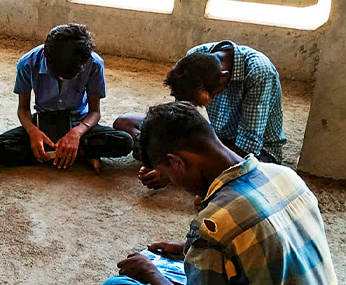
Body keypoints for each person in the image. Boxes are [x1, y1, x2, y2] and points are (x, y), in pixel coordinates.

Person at [90, 102, 339, 285]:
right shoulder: (284, 175)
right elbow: (266, 248)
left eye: (166, 172)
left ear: (177, 162)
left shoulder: (212, 227)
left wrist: (151, 273)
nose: (172, 182)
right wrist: (186, 250)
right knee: (188, 274)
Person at [116, 40, 286, 189]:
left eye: (198, 102)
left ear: (223, 78)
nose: (195, 106)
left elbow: (248, 147)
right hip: (216, 136)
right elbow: (181, 117)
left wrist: (170, 173)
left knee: (242, 181)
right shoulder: (195, 57)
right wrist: (162, 156)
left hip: (257, 152)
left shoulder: (259, 73)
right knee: (125, 123)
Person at [0, 24, 132, 171]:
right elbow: (23, 108)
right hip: (42, 125)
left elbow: (95, 112)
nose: (64, 81)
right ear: (48, 60)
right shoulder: (27, 63)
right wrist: (32, 132)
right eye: (59, 76)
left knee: (125, 142)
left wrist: (77, 133)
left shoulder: (94, 63)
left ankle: (55, 153)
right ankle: (76, 154)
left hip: (79, 122)